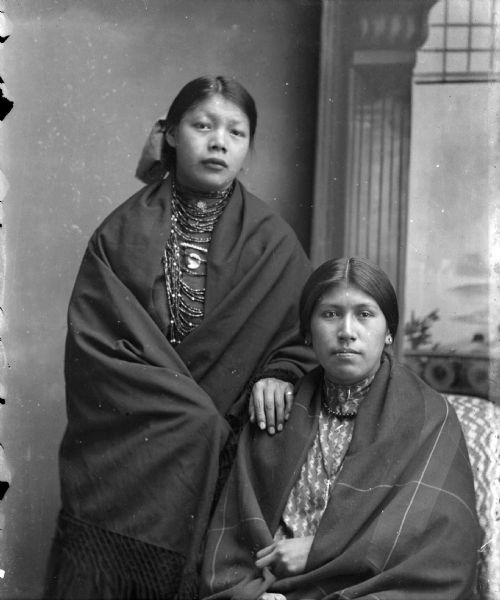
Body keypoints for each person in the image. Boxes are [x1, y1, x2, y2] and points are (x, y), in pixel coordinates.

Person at [44, 76, 316, 600]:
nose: (219, 142)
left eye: (236, 133)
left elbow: (301, 333)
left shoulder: (271, 239)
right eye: (203, 125)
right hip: (131, 437)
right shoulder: (121, 233)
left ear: (247, 148)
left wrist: (279, 373)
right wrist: (188, 417)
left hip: (229, 443)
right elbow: (97, 348)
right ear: (170, 134)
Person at [200, 257, 481, 600]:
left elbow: (443, 551)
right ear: (307, 332)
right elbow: (233, 546)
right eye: (330, 314)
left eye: (365, 314)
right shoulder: (278, 410)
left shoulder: (429, 416)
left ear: (388, 330)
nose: (347, 331)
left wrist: (322, 550)